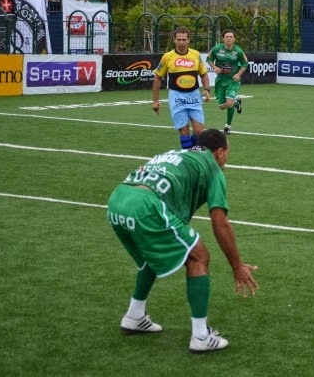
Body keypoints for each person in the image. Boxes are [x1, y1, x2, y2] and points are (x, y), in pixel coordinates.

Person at [107, 128, 259, 353]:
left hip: (117, 199)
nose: (226, 159)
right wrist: (237, 266)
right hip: (146, 204)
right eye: (227, 153)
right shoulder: (213, 168)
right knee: (199, 256)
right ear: (219, 152)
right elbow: (220, 224)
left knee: (150, 256)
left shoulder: (177, 154)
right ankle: (200, 336)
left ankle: (134, 316)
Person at [153, 27, 211, 149]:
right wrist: (155, 101)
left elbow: (204, 75)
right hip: (177, 97)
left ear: (188, 40)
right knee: (184, 131)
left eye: (184, 39)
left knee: (199, 131)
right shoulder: (167, 56)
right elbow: (157, 78)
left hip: (194, 96)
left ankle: (192, 150)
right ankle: (188, 155)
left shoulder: (195, 54)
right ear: (174, 40)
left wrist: (206, 89)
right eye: (179, 39)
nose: (181, 42)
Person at [207, 29, 248, 135]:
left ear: (234, 39)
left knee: (229, 102)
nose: (229, 38)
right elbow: (209, 59)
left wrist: (238, 74)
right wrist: (215, 67)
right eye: (227, 37)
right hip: (220, 80)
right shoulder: (216, 48)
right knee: (222, 106)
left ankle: (227, 126)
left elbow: (245, 64)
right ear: (223, 39)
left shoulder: (238, 51)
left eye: (231, 37)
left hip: (233, 80)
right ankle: (237, 104)